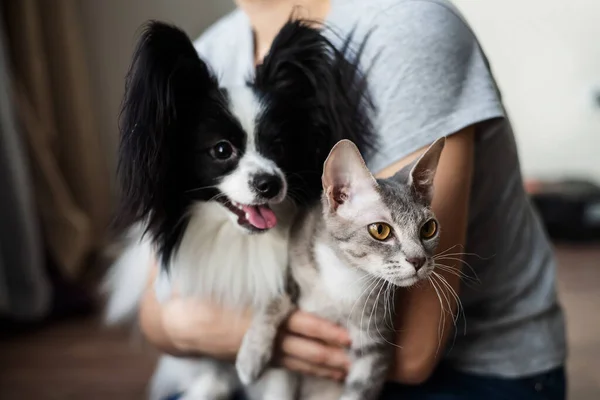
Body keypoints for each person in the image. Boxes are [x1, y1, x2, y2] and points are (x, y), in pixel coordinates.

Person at [138, 0, 567, 398]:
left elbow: (410, 355)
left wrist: (204, 327)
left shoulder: (405, 30)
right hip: (286, 353)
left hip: (474, 368)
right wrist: (186, 325)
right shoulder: (211, 49)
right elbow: (156, 315)